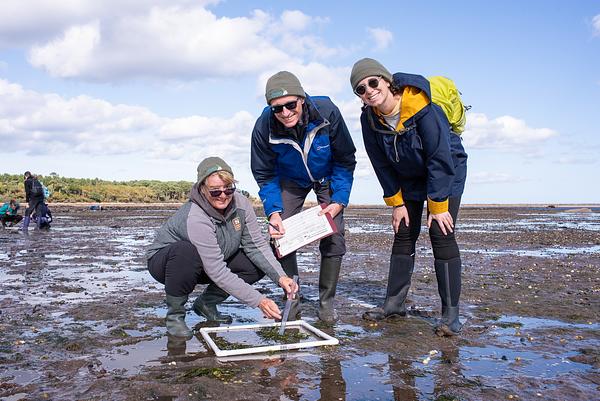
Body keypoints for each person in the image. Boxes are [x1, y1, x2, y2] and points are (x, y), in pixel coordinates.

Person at [350, 58, 468, 336]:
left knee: (441, 232)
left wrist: (438, 207)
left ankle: (451, 315)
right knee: (404, 231)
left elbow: (439, 157)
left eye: (373, 82)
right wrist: (397, 203)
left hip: (445, 169)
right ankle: (394, 304)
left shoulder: (423, 108)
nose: (368, 90)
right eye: (360, 89)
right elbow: (380, 163)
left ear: (387, 81)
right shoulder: (369, 119)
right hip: (407, 174)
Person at [146, 157, 298, 339]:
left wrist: (280, 277)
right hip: (169, 264)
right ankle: (175, 318)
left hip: (209, 261)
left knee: (254, 263)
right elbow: (217, 271)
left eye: (229, 189)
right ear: (202, 188)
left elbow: (256, 245)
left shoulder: (241, 204)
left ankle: (206, 303)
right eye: (215, 192)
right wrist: (259, 301)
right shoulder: (196, 217)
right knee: (184, 252)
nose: (224, 196)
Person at [251, 71, 357, 323]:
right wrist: (273, 212)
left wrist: (339, 201)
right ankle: (292, 300)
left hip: (327, 176)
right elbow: (264, 174)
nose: (285, 113)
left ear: (302, 99)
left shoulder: (327, 112)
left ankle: (326, 303)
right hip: (290, 179)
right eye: (278, 108)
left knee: (334, 232)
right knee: (281, 235)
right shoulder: (263, 126)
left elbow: (345, 160)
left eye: (291, 105)